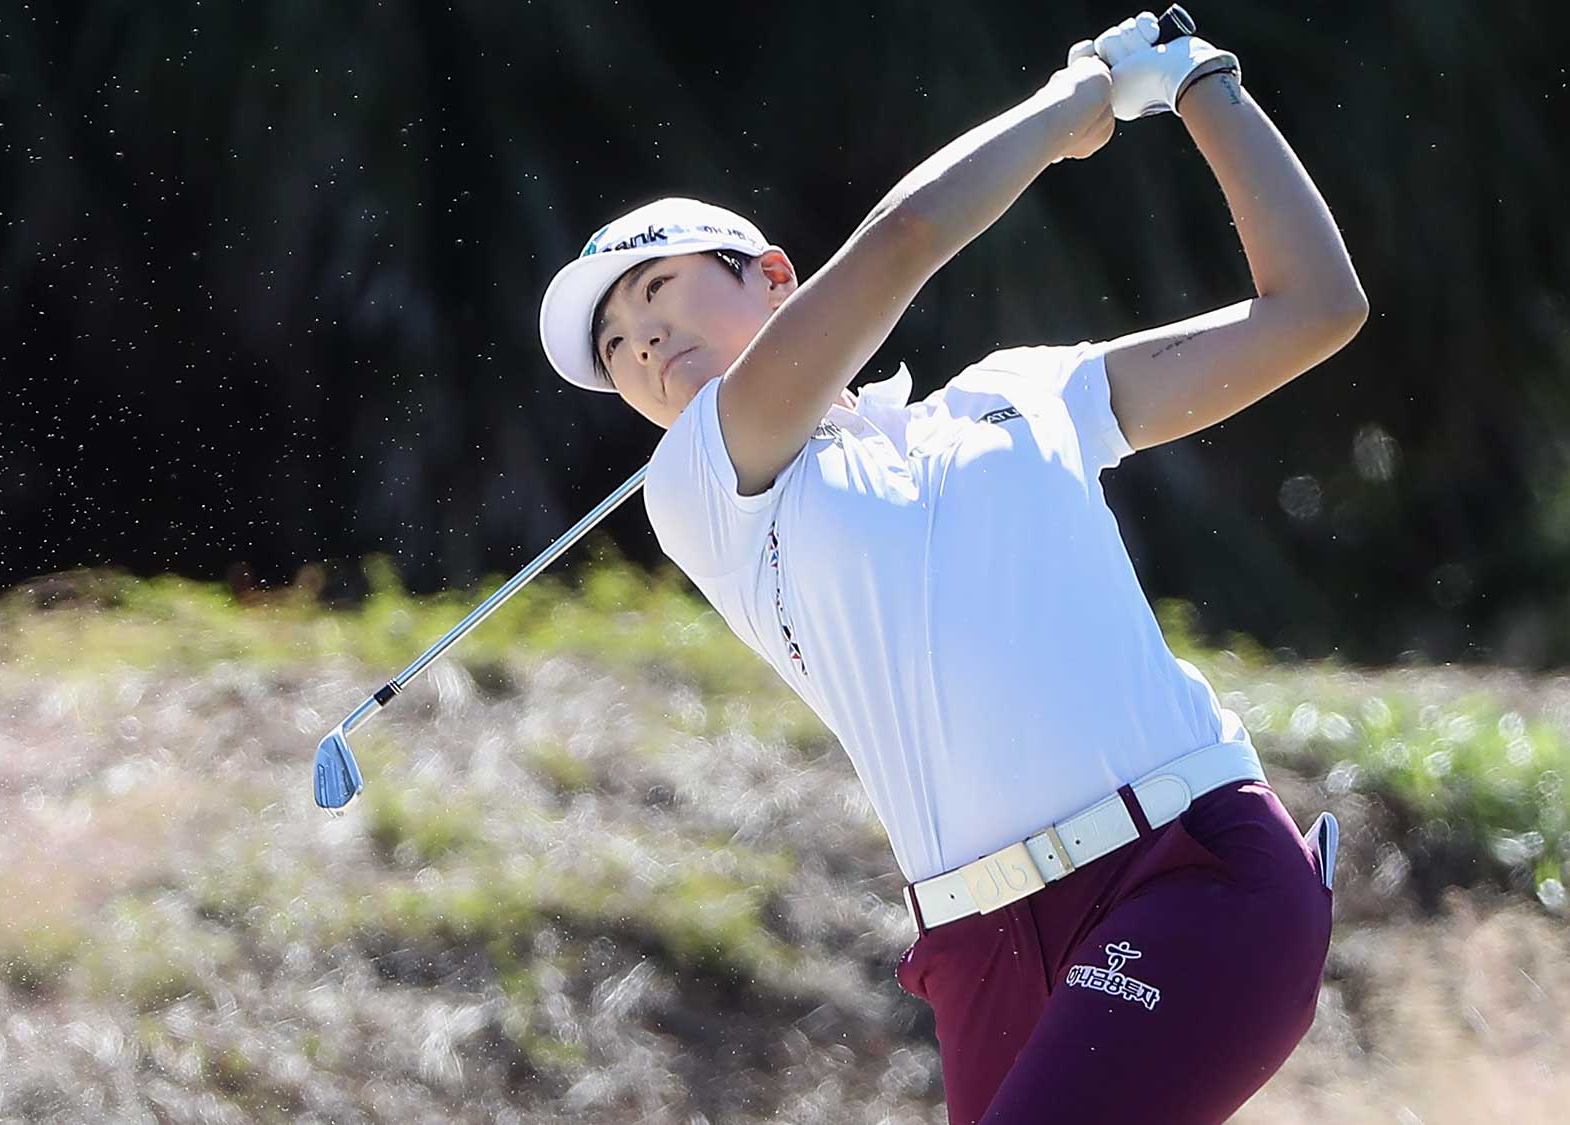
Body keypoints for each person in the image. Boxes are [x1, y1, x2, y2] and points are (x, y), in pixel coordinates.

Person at [537, 12, 1363, 1124]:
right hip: (980, 953)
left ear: (773, 278)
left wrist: (1196, 80)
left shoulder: (1023, 394)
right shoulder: (696, 490)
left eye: (656, 293)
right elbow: (907, 238)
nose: (639, 346)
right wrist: (1077, 105)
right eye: (614, 353)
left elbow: (1312, 308)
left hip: (1189, 875)